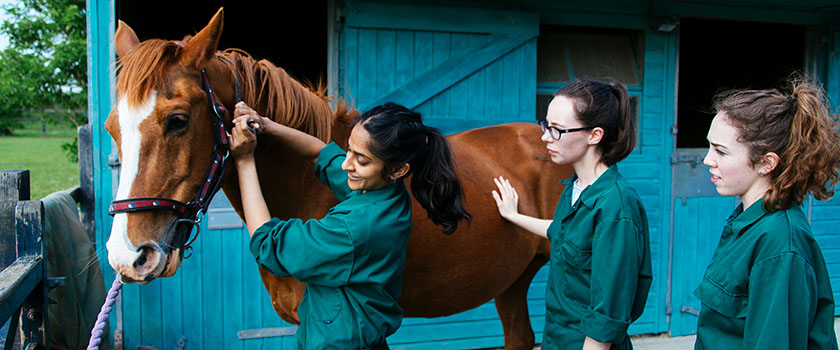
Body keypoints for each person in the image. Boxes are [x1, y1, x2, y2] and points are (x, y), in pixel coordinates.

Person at [229, 101, 471, 349]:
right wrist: (268, 125)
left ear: (398, 169)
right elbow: (320, 155)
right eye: (349, 151)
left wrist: (244, 161)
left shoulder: (355, 228)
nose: (346, 164)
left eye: (362, 160)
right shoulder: (385, 191)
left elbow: (266, 243)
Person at [492, 80, 652, 350]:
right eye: (546, 125)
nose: (545, 137)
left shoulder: (616, 207)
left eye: (556, 130)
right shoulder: (575, 187)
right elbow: (563, 231)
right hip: (557, 338)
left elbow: (607, 315)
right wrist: (514, 215)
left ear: (594, 135)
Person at [694, 77, 839, 349]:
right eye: (709, 145)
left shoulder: (779, 242)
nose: (707, 160)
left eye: (721, 151)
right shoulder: (749, 221)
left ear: (766, 163)